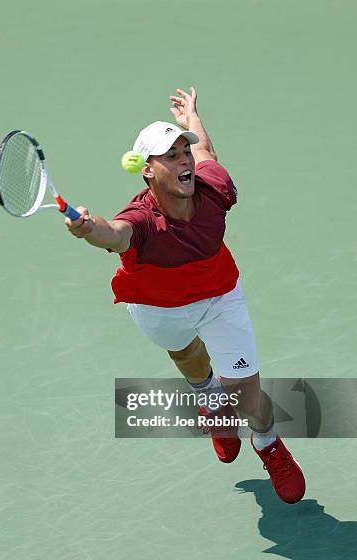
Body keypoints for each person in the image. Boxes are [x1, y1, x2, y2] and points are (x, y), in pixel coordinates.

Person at [65, 87, 306, 504]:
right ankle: (211, 405)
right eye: (171, 156)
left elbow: (207, 151)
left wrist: (192, 118)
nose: (184, 162)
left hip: (219, 297)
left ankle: (267, 443)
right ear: (146, 170)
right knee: (192, 364)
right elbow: (112, 233)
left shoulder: (213, 187)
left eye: (183, 153)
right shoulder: (140, 220)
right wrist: (87, 227)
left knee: (247, 398)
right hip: (158, 308)